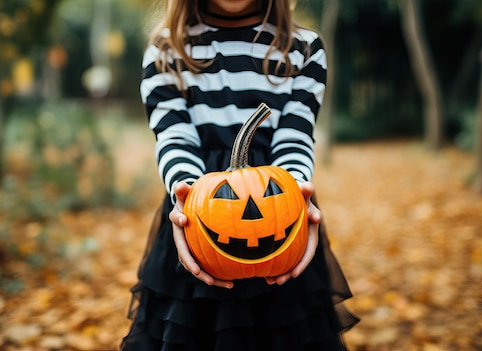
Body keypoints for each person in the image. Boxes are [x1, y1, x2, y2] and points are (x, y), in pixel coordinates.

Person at [121, 0, 359, 349]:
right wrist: (185, 200)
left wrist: (295, 200)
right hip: (196, 218)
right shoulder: (166, 50)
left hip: (278, 210)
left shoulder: (304, 49)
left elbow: (294, 138)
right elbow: (174, 138)